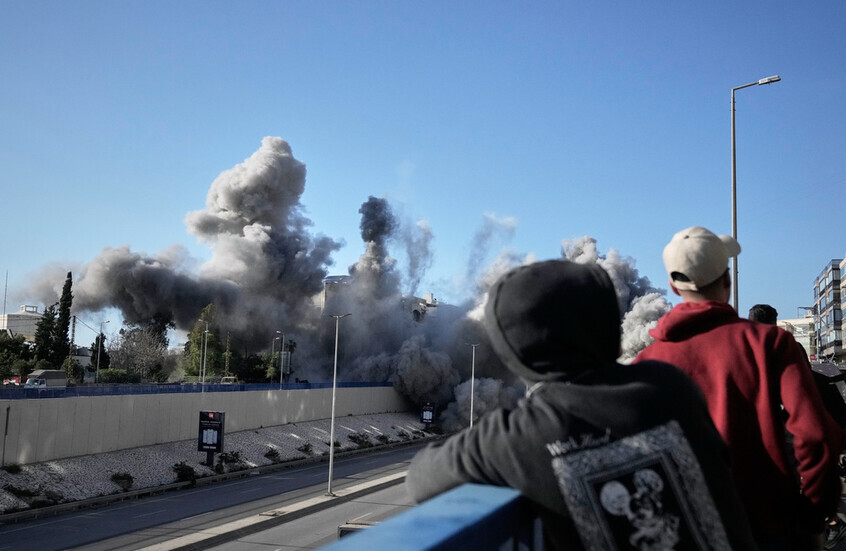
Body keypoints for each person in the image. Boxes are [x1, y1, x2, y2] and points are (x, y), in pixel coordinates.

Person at [406, 259, 757, 550]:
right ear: (610, 326)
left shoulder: (520, 436)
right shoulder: (670, 387)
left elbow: (422, 476)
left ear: (512, 353)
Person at [636, 226, 842, 549]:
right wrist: (812, 521)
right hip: (769, 530)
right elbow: (817, 437)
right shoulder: (770, 344)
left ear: (674, 287)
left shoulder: (645, 364)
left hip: (685, 533)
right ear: (727, 281)